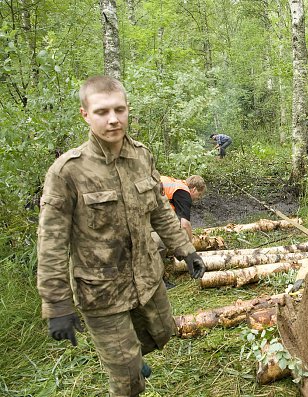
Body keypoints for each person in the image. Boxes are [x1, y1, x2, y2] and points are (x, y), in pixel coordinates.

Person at [36, 75, 206, 397]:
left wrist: (186, 250)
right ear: (85, 114)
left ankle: (131, 359)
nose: (113, 119)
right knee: (128, 382)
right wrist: (57, 303)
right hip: (102, 292)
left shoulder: (142, 157)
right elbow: (52, 241)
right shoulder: (67, 172)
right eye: (102, 111)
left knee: (163, 333)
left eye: (119, 109)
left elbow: (158, 210)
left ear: (128, 110)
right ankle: (127, 370)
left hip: (146, 278)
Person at [160, 175, 206, 241]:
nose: (198, 198)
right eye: (199, 194)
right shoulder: (183, 192)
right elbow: (185, 224)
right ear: (194, 189)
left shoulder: (176, 185)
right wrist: (190, 246)